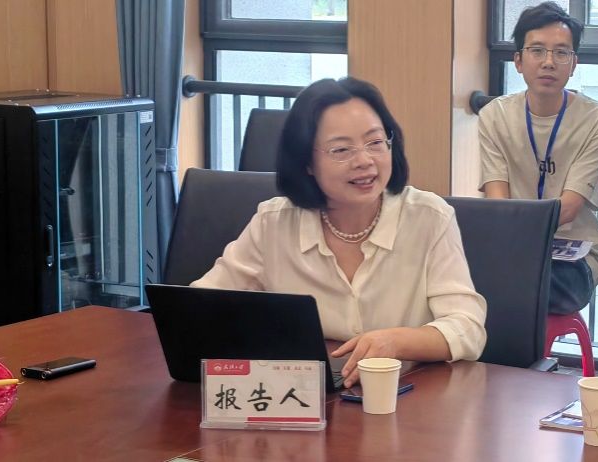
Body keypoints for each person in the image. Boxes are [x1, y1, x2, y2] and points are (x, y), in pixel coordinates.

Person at [192, 77, 487, 388]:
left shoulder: (429, 217)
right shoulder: (274, 223)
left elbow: (467, 328)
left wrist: (396, 341)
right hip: (302, 396)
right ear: (306, 162)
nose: (364, 161)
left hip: (405, 397)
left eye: (375, 142)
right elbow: (201, 306)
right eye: (342, 149)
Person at [478, 1, 598, 314]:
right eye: (537, 50)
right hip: (512, 250)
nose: (549, 62)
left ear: (574, 63)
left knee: (510, 288)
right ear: (518, 60)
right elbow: (497, 203)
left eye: (561, 52)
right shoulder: (494, 116)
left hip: (575, 259)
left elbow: (568, 208)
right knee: (453, 275)